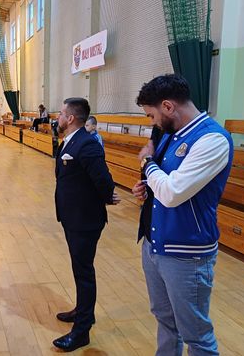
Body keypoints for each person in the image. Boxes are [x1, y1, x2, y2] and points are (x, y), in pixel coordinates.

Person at [132, 74, 233, 356]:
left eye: (152, 115)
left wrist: (147, 163)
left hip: (187, 252)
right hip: (155, 243)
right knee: (165, 319)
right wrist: (146, 188)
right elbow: (162, 185)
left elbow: (173, 192)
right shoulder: (172, 135)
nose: (152, 122)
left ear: (168, 106)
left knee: (196, 334)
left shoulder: (212, 139)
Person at [53, 97, 119, 352]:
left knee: (84, 272)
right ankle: (83, 311)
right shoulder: (70, 140)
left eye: (61, 113)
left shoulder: (87, 143)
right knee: (79, 268)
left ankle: (82, 331)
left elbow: (103, 178)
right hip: (73, 215)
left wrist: (108, 196)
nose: (58, 117)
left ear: (70, 118)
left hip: (85, 219)